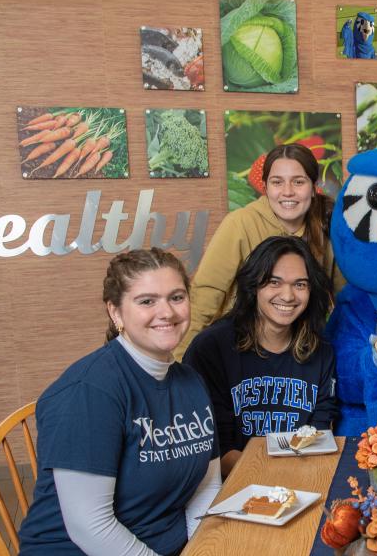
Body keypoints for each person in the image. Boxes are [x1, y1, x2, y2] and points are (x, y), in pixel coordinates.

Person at [18, 248, 221, 556]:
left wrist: (202, 551)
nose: (167, 312)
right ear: (115, 312)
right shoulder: (89, 391)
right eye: (147, 301)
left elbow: (206, 488)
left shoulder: (191, 382)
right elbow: (91, 526)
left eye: (177, 297)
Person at [184, 235, 338, 477]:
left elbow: (319, 437)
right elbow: (214, 450)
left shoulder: (322, 351)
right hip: (232, 487)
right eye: (274, 282)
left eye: (300, 284)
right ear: (254, 285)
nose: (288, 296)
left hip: (301, 482)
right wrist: (272, 475)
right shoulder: (211, 348)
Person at [175, 143, 341, 358]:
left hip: (300, 350)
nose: (287, 192)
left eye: (298, 182)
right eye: (277, 182)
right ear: (265, 186)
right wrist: (179, 365)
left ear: (313, 186)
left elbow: (346, 298)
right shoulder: (240, 223)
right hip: (241, 349)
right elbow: (204, 298)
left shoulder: (326, 226)